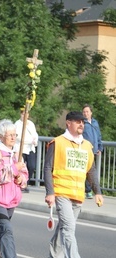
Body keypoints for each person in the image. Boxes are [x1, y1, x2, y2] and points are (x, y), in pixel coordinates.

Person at [44, 111, 104, 258]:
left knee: (64, 228)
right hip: (61, 193)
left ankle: (53, 255)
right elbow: (47, 168)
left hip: (78, 195)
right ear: (68, 123)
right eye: (78, 121)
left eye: (83, 122)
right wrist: (50, 192)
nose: (81, 124)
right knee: (69, 228)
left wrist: (98, 192)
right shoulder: (58, 142)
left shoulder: (87, 146)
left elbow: (91, 170)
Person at [0, 119, 28, 258]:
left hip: (11, 199)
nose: (14, 137)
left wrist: (21, 179)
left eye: (15, 134)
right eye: (10, 135)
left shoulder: (16, 154)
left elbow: (24, 174)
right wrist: (15, 169)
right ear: (1, 137)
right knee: (6, 229)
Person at [82, 104, 103, 199]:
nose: (85, 113)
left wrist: (99, 147)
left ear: (91, 112)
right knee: (85, 170)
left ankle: (88, 190)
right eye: (84, 112)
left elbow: (98, 136)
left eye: (87, 111)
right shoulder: (82, 123)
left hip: (93, 150)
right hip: (84, 150)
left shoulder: (95, 123)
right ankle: (87, 190)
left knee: (90, 170)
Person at [15, 108, 38, 193]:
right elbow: (18, 137)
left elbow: (35, 134)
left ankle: (26, 182)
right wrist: (29, 141)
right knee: (20, 167)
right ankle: (20, 183)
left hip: (30, 148)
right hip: (21, 148)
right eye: (23, 114)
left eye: (26, 114)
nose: (25, 116)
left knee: (32, 166)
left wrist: (35, 140)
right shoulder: (17, 124)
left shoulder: (31, 124)